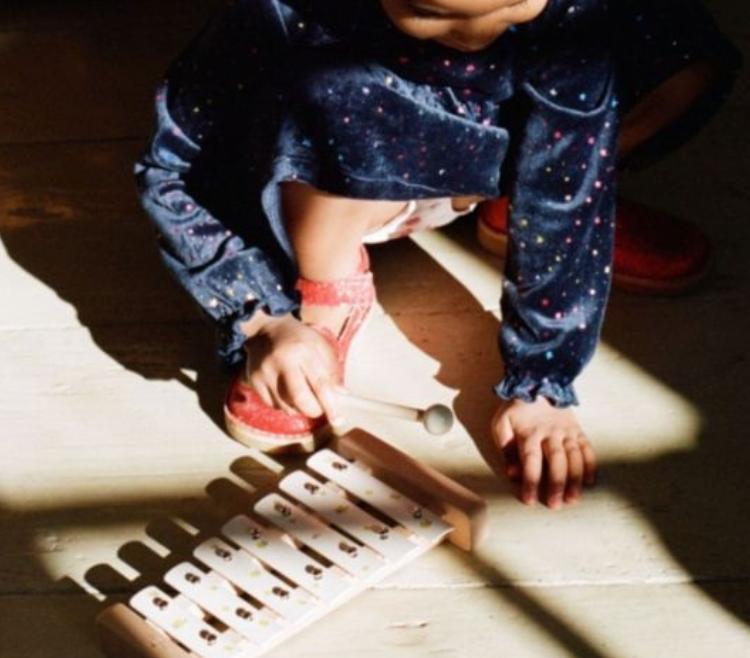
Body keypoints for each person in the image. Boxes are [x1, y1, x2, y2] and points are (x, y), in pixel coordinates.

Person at [135, 0, 740, 509]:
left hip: (490, 156)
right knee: (329, 87)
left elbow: (569, 158)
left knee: (678, 57)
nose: (480, 35)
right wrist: (261, 314)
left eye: (515, 4)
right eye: (428, 11)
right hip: (356, 165)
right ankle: (329, 284)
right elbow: (175, 169)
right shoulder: (281, 15)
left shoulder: (566, 16)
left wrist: (541, 380)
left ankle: (517, 208)